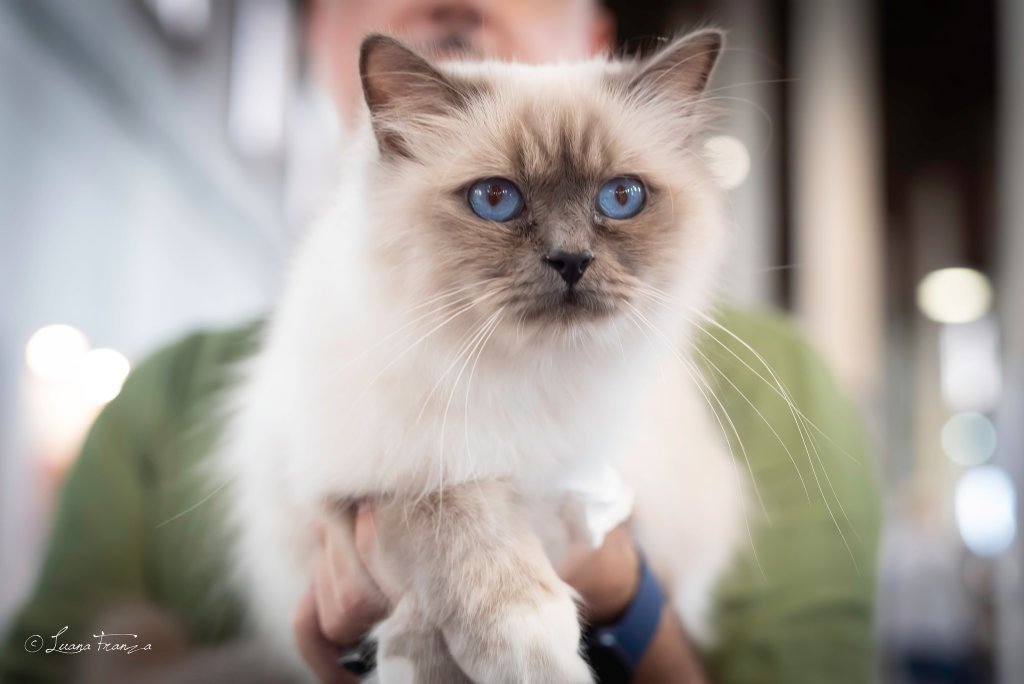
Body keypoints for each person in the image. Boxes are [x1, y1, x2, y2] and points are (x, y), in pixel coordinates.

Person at [0, 1, 880, 682]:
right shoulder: (162, 391)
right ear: (326, 47)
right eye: (498, 198)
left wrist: (625, 605)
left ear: (593, 29)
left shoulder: (776, 378)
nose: (572, 250)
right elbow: (49, 646)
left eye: (622, 198)